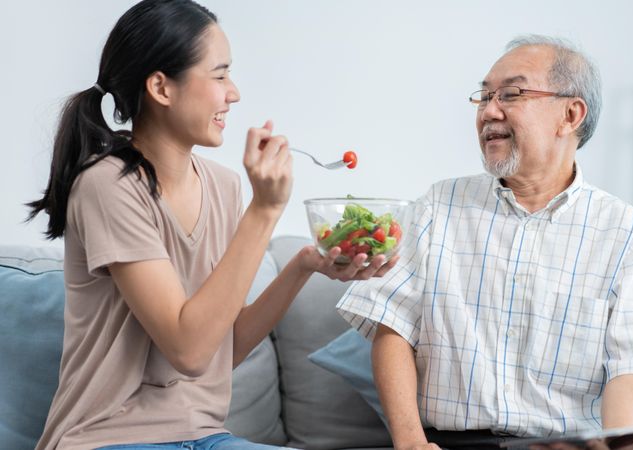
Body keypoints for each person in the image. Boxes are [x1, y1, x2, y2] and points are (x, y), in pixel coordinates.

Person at [26, 1, 397, 449]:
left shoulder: (223, 187)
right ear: (162, 87)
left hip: (204, 436)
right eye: (219, 75)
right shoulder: (107, 185)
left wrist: (303, 265)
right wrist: (264, 212)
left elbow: (220, 351)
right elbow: (189, 350)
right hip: (105, 437)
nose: (234, 93)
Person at [337, 34, 633, 450]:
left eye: (511, 94)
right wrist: (410, 442)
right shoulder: (438, 205)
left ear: (570, 115)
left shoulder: (624, 231)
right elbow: (391, 327)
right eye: (483, 96)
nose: (488, 111)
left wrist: (610, 448)